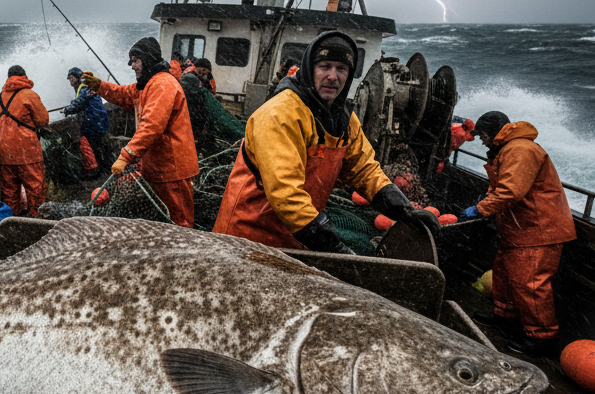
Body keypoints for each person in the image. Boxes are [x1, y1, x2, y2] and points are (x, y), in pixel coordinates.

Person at [213, 31, 439, 253]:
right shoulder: (279, 115)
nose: (333, 76)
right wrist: (334, 248)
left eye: (341, 68)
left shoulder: (344, 119)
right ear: (309, 70)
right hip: (246, 238)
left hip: (295, 239)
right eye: (325, 66)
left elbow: (365, 170)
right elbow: (286, 194)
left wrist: (404, 210)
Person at [460, 111, 576, 354]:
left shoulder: (520, 149)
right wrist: (486, 200)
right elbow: (503, 187)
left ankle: (543, 339)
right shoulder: (506, 149)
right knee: (504, 274)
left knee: (530, 284)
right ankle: (506, 318)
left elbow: (511, 191)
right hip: (518, 229)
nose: (482, 141)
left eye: (482, 136)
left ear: (492, 133)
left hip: (539, 229)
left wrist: (480, 209)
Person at [81, 37, 199, 227]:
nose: (132, 65)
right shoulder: (147, 84)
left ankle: (182, 246)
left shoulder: (162, 84)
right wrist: (99, 86)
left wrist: (126, 156)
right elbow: (123, 94)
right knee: (163, 220)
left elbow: (151, 125)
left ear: (147, 59)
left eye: (135, 60)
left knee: (179, 222)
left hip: (172, 169)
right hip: (158, 168)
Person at [0, 65, 49, 217]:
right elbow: (43, 120)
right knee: (35, 186)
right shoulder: (29, 95)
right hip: (26, 150)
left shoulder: (0, 97)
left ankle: (14, 220)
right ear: (24, 76)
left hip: (5, 151)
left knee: (10, 190)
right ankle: (36, 218)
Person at [63, 66, 112, 176]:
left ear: (77, 77)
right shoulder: (85, 86)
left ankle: (103, 170)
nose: (70, 81)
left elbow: (79, 103)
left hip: (94, 122)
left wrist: (67, 110)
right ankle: (105, 169)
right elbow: (80, 101)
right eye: (69, 79)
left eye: (72, 78)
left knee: (97, 147)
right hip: (96, 120)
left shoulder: (84, 87)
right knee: (99, 146)